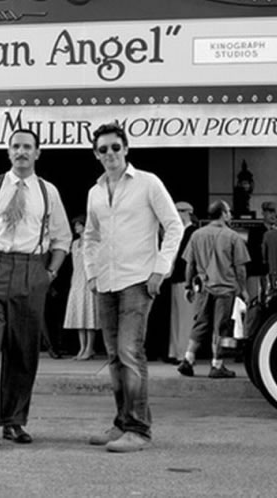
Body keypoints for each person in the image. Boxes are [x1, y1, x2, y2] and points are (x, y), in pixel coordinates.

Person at [0, 129, 71, 449]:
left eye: (27, 146)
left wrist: (49, 273)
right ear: (8, 152)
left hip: (31, 269)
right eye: (15, 146)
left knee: (24, 352)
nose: (21, 151)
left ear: (38, 152)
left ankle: (13, 421)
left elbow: (62, 239)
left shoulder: (48, 191)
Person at [83, 122, 183, 453]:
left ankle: (139, 430)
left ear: (126, 148)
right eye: (103, 149)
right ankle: (122, 423)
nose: (110, 153)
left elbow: (174, 226)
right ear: (96, 154)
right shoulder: (95, 192)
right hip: (106, 282)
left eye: (115, 147)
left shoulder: (148, 182)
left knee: (129, 353)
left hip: (137, 281)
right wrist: (91, 274)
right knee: (114, 357)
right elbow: (90, 236)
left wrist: (160, 270)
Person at [177, 200, 250, 379]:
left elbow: (190, 264)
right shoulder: (233, 237)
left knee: (200, 324)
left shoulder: (196, 235)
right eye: (228, 212)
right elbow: (240, 268)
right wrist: (243, 289)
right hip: (225, 289)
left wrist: (188, 286)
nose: (230, 215)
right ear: (223, 214)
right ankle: (217, 365)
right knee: (221, 328)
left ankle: (188, 359)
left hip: (203, 288)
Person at [63, 214, 99, 360]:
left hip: (88, 278)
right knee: (79, 314)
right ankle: (82, 347)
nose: (76, 227)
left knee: (89, 314)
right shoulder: (75, 243)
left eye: (78, 224)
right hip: (77, 278)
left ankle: (90, 348)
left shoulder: (93, 242)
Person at [167, 202, 198, 364]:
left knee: (185, 318)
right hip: (177, 278)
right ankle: (175, 351)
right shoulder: (181, 231)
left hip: (186, 279)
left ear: (186, 213)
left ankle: (183, 353)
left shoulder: (192, 232)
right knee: (177, 317)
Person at [246, 201, 277, 302]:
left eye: (275, 212)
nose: (273, 215)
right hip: (258, 273)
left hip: (274, 273)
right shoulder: (255, 231)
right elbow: (253, 253)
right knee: (255, 301)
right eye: (270, 212)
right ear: (263, 213)